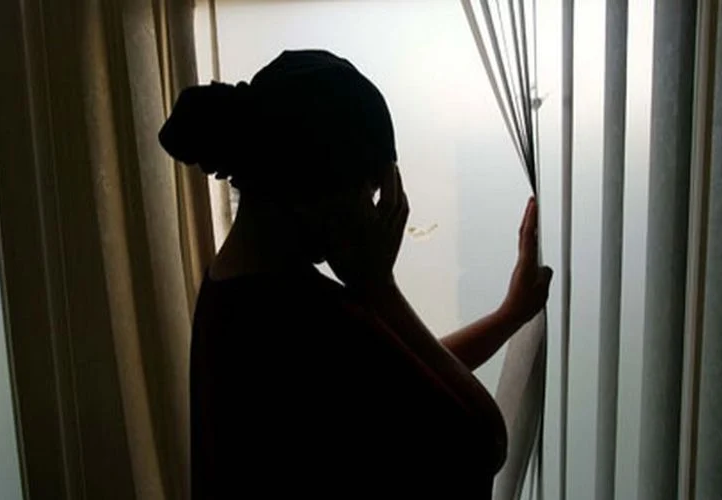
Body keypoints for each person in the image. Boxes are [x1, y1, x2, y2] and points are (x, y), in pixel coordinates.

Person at [159, 50, 552, 499]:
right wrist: (380, 290)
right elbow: (481, 443)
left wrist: (507, 318)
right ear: (320, 186)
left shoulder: (236, 287)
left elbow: (405, 377)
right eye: (369, 192)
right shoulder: (296, 311)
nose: (376, 214)